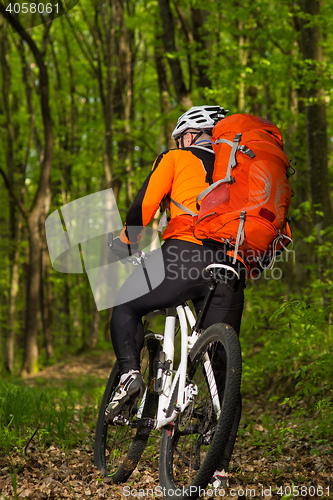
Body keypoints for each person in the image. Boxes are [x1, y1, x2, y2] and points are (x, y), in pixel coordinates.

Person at [106, 105, 247, 486]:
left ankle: (130, 376)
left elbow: (143, 208)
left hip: (185, 254)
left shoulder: (176, 158)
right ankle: (217, 469)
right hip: (233, 264)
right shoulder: (241, 168)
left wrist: (124, 244)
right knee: (221, 369)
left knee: (126, 302)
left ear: (189, 135)